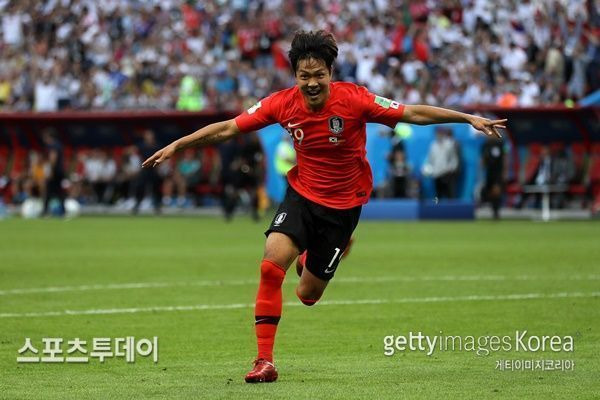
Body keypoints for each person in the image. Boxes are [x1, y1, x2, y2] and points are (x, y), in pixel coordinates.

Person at [141, 30, 505, 383]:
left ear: (331, 73)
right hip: (301, 195)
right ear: (295, 76)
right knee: (270, 266)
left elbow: (412, 114)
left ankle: (315, 256)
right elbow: (228, 128)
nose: (312, 82)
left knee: (307, 294)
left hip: (344, 208)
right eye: (304, 76)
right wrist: (179, 145)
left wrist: (466, 117)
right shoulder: (281, 103)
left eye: (318, 75)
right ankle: (264, 361)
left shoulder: (355, 99)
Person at [422, 127, 460, 199]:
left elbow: (454, 159)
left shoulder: (449, 144)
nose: (439, 135)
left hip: (447, 174)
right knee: (438, 196)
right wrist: (428, 169)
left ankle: (450, 210)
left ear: (443, 134)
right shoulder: (433, 145)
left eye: (440, 133)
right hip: (436, 174)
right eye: (437, 133)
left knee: (450, 195)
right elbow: (431, 160)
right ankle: (437, 209)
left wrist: (451, 170)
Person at [480, 136, 507, 219]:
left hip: (498, 171)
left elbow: (505, 157)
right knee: (489, 192)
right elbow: (482, 158)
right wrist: (481, 169)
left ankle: (496, 212)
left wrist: (504, 171)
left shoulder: (501, 143)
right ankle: (493, 209)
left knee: (496, 191)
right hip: (489, 172)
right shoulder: (485, 144)